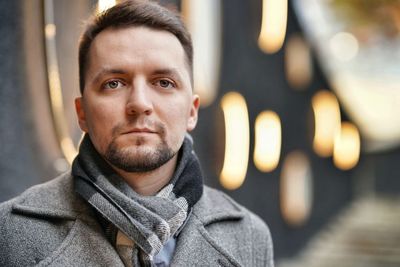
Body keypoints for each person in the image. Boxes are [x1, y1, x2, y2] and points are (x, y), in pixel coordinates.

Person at [0, 1, 274, 266]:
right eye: (114, 83)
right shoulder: (10, 232)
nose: (140, 104)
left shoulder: (249, 236)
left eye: (164, 82)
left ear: (192, 111)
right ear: (82, 113)